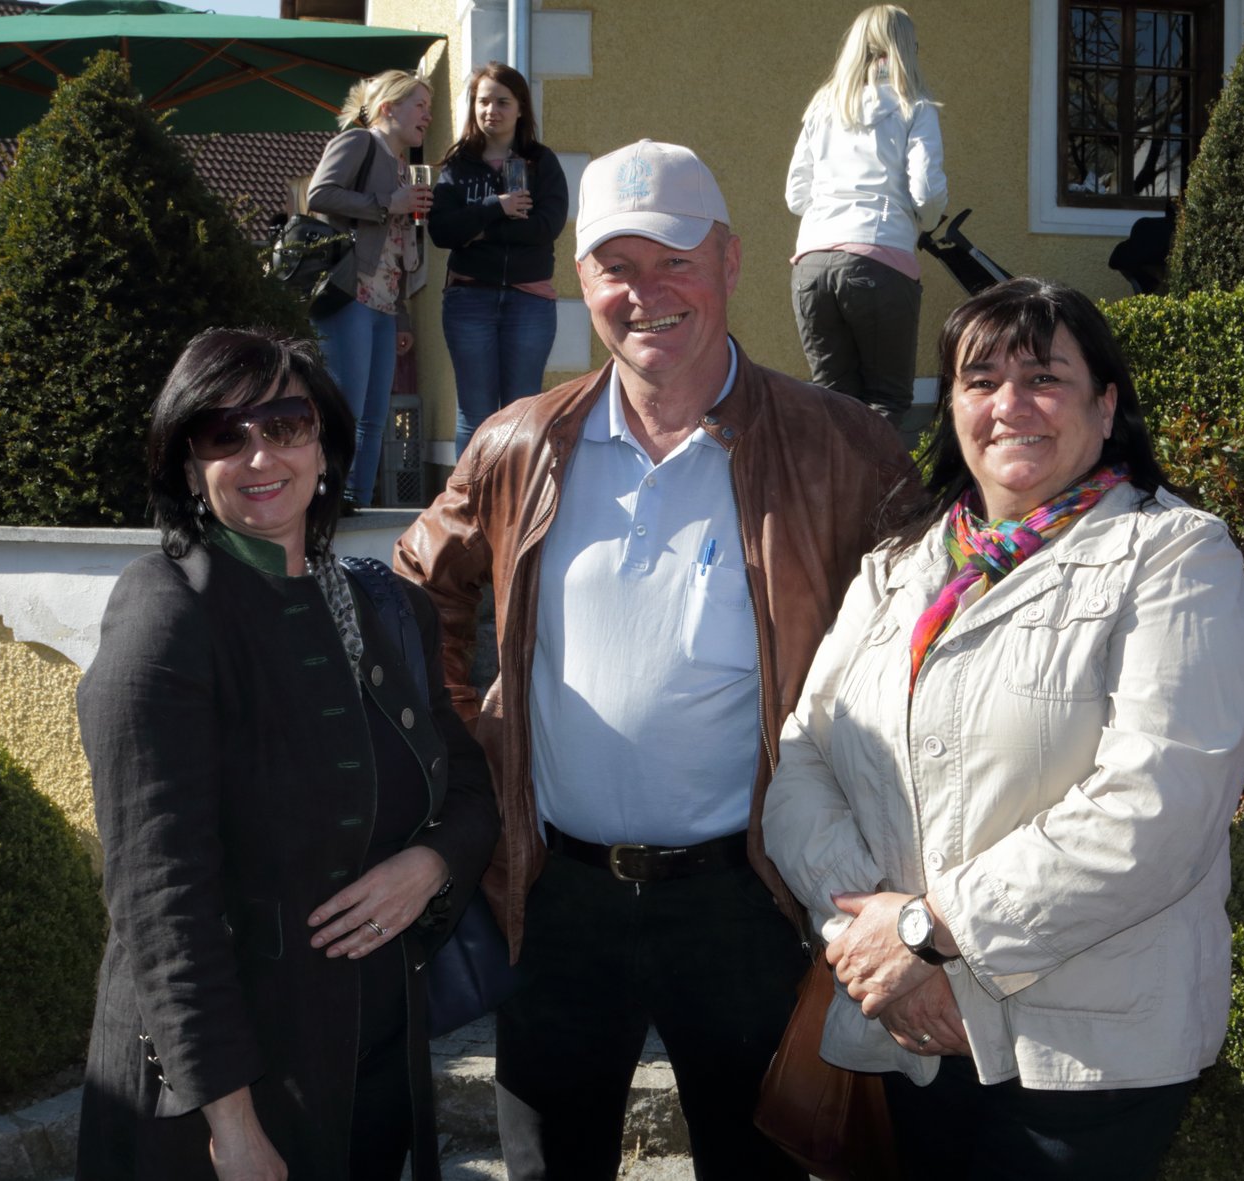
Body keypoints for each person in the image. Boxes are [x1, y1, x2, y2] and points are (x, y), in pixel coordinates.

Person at [394, 139, 920, 1180]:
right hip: (556, 896)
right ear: (580, 281)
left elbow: (923, 647)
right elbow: (417, 592)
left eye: (675, 260)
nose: (646, 294)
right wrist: (468, 754)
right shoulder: (519, 443)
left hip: (749, 897)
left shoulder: (843, 447)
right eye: (616, 267)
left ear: (730, 260)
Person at [762, 278, 1244, 1180]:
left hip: (1080, 1061)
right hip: (907, 1035)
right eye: (981, 380)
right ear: (952, 407)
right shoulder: (898, 567)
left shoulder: (1176, 556)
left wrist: (931, 933)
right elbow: (805, 759)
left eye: (1044, 378)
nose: (1010, 405)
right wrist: (878, 943)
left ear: (1105, 406)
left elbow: (1157, 807)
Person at [74, 328, 497, 1181]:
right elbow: (159, 901)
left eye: (285, 424)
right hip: (230, 1083)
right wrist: (231, 1125)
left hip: (373, 1058)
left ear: (325, 446)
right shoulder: (166, 612)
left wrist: (428, 864)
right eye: (223, 434)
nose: (260, 454)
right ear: (189, 464)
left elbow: (469, 789)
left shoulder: (383, 609)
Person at [786, 4, 946, 426]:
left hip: (811, 264)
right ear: (905, 49)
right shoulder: (915, 106)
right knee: (886, 402)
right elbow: (927, 191)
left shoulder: (822, 107)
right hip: (880, 256)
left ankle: (832, 474)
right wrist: (926, 221)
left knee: (832, 401)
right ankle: (876, 474)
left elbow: (796, 196)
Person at [306, 70, 433, 512]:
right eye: (420, 106)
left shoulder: (404, 168)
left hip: (384, 304)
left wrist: (402, 316)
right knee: (347, 410)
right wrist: (386, 204)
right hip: (349, 294)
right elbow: (319, 194)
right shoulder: (358, 142)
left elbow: (397, 250)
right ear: (388, 108)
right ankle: (327, 504)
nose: (428, 116)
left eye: (430, 108)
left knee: (375, 417)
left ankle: (356, 507)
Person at [429, 62, 569, 456]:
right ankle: (469, 494)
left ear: (521, 108)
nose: (491, 110)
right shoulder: (458, 165)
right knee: (474, 414)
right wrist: (496, 207)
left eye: (502, 102)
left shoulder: (542, 162)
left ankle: (517, 493)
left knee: (522, 412)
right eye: (483, 101)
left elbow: (546, 227)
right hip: (468, 300)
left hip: (529, 301)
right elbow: (442, 232)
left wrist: (479, 231)